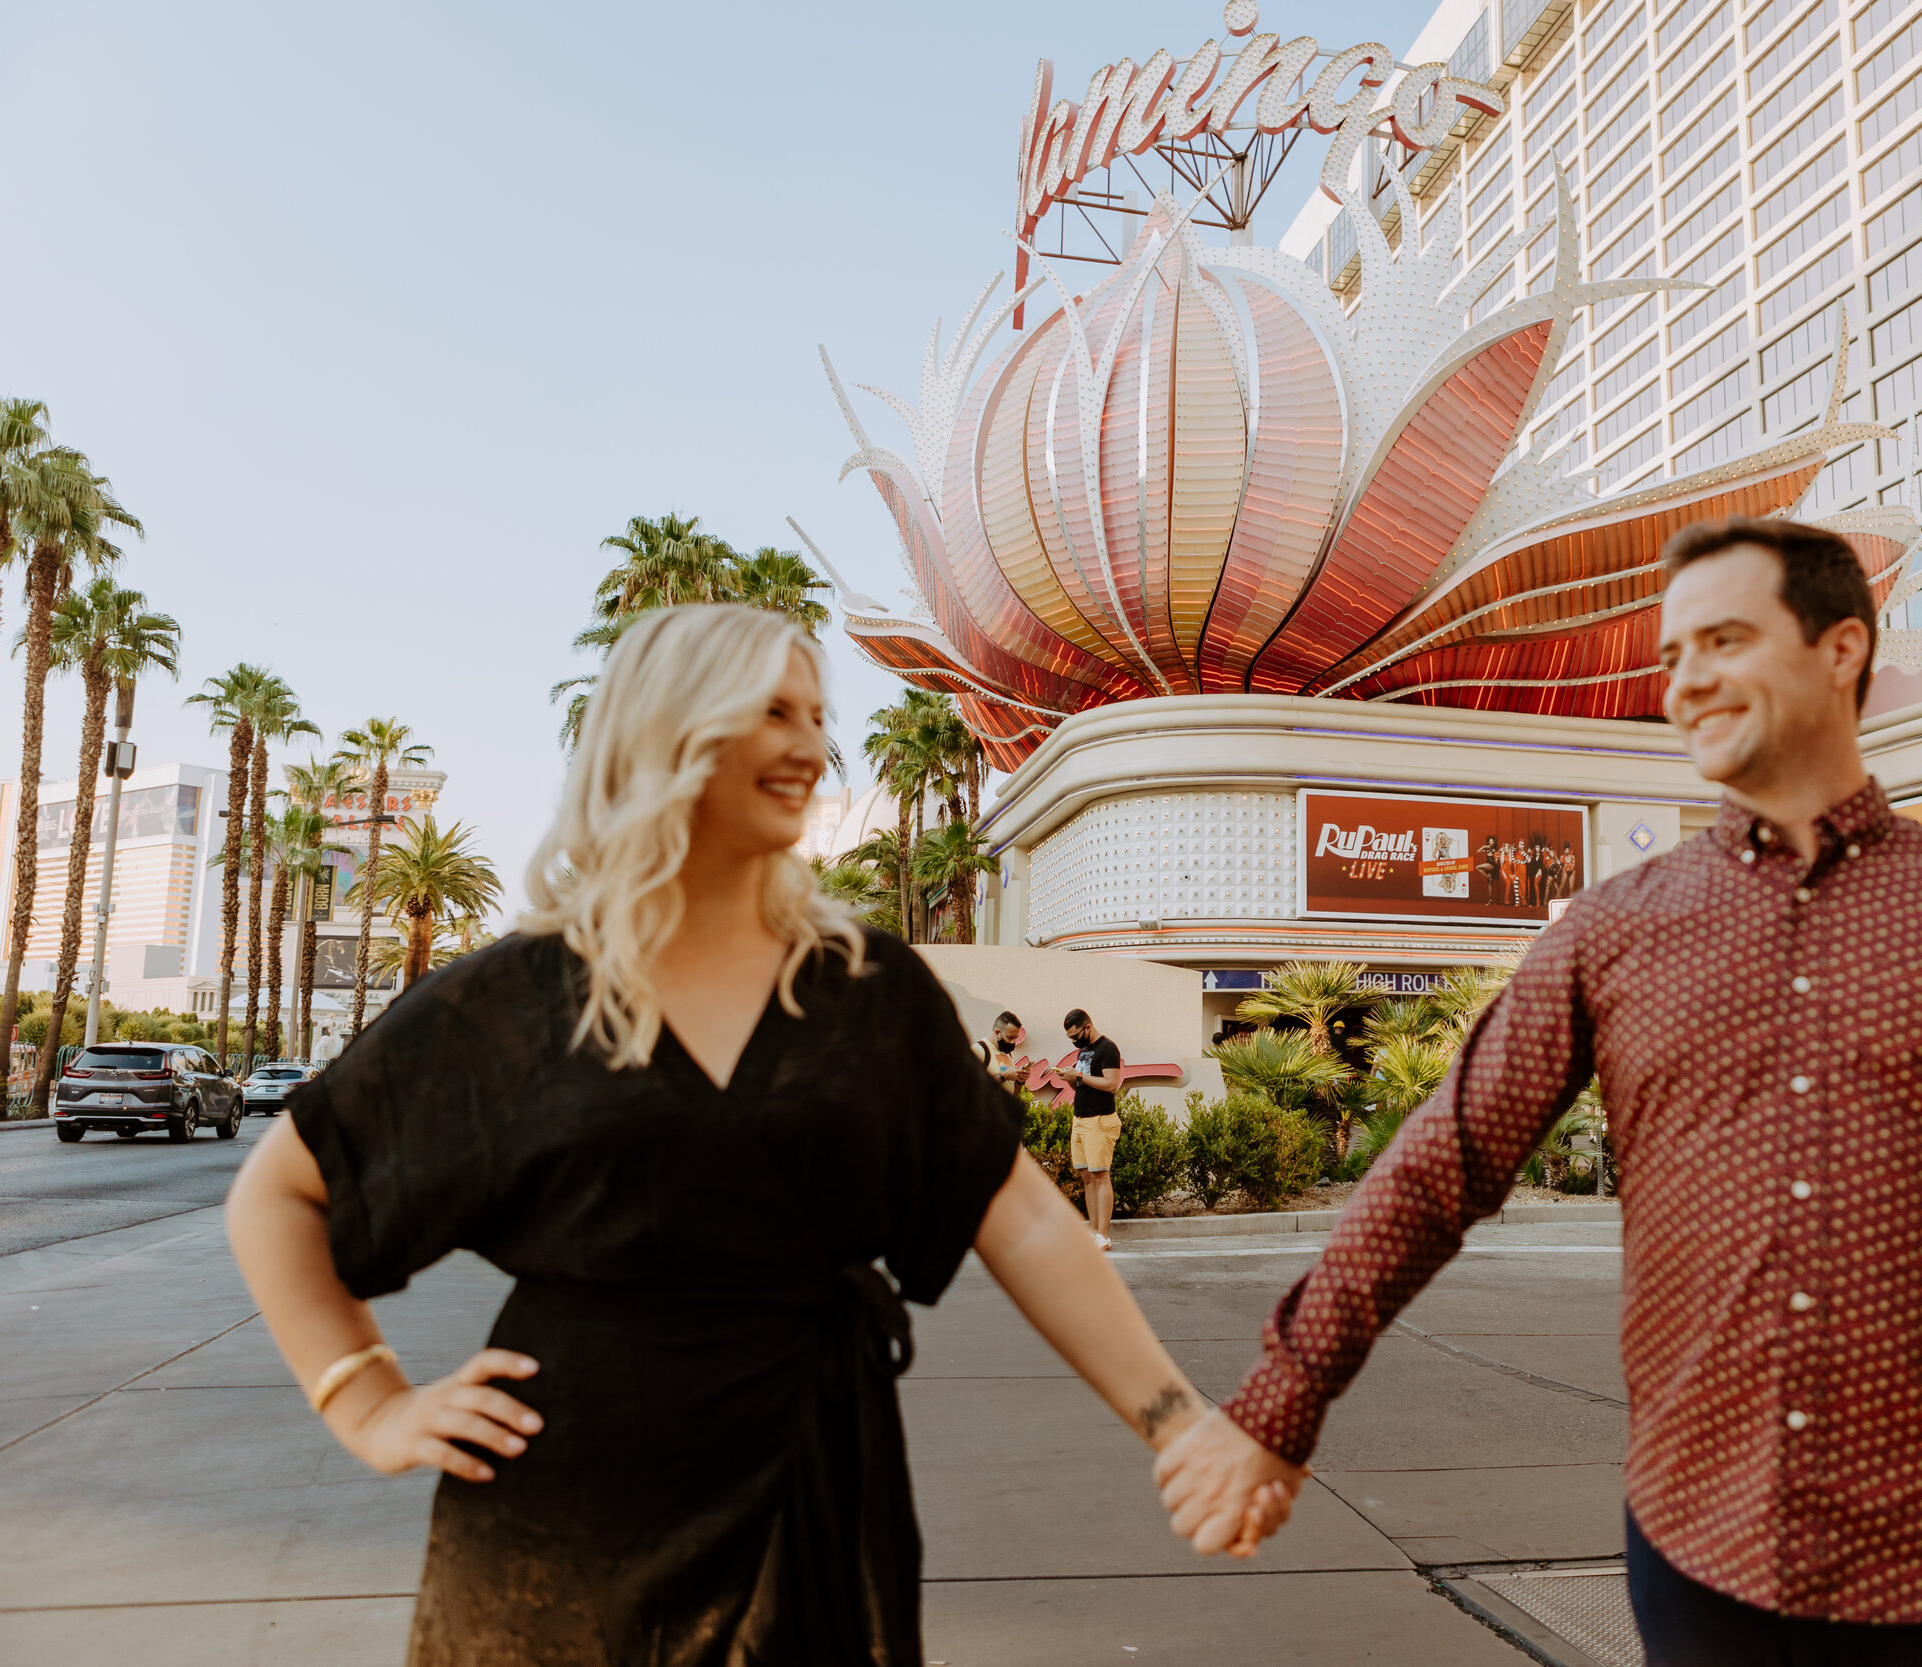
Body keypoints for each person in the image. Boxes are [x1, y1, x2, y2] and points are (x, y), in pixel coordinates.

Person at [1156, 518, 1922, 1667]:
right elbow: (1441, 1164)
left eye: (1722, 639)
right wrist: (1283, 1398)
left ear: (1841, 650)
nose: (1686, 682)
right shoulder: (1612, 931)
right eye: (1671, 656)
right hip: (1703, 1558)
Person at [225, 605, 1285, 1667]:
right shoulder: (516, 997)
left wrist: (1176, 1419)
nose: (812, 745)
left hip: (814, 1504)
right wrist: (366, 1399)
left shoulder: (868, 991)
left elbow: (1025, 1221)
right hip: (559, 1539)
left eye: (819, 715)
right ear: (667, 727)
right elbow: (278, 1193)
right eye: (774, 710)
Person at [1057, 1008, 1125, 1250]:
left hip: (1099, 1120)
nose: (1074, 1041)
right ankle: (1094, 1232)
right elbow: (1085, 1086)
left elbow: (1111, 1084)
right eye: (1070, 1038)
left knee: (1100, 1175)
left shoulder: (1107, 1048)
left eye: (1076, 1035)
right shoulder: (1084, 1051)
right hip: (1081, 1118)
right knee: (1087, 1178)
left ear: (1087, 1026)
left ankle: (1104, 1235)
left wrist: (1080, 1077)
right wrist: (1072, 1080)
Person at [986, 1010, 1028, 1090]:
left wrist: (1020, 1080)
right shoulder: (979, 1050)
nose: (1013, 1042)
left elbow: (1013, 1092)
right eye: (1010, 1037)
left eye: (1015, 1038)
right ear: (997, 1032)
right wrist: (1003, 1077)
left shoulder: (1006, 1053)